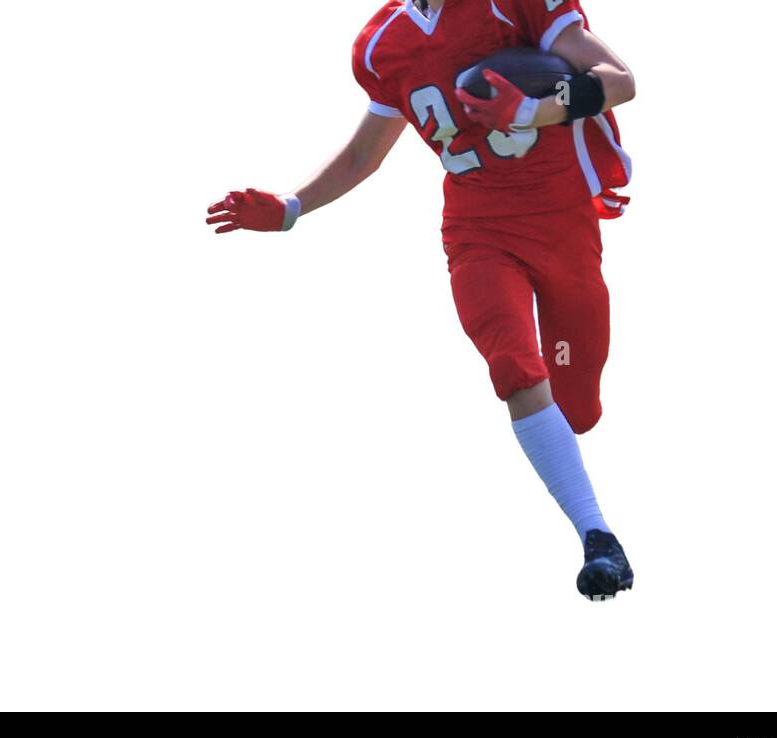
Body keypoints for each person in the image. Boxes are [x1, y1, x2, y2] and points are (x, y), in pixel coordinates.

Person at [205, 0, 636, 600]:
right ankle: (598, 538)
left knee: (577, 409)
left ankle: (572, 461)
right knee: (514, 367)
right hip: (478, 230)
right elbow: (364, 154)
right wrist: (292, 206)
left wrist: (536, 109)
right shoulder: (385, 43)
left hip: (563, 229)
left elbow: (620, 81)